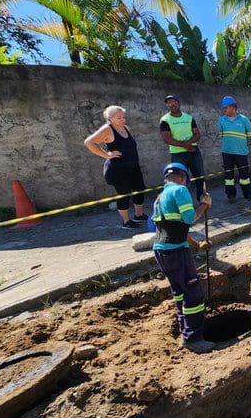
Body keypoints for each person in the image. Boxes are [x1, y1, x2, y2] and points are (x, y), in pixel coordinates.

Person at [152, 162, 214, 353]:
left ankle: (185, 330)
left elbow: (175, 227)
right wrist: (204, 205)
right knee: (194, 294)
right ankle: (193, 338)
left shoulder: (159, 197)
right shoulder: (179, 190)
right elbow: (188, 219)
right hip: (177, 252)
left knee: (180, 292)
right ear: (183, 177)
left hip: (162, 251)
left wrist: (197, 245)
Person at [84, 105, 147, 229]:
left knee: (139, 189)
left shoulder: (126, 128)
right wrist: (106, 155)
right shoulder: (107, 129)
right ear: (110, 118)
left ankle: (139, 215)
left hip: (133, 167)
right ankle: (126, 221)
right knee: (124, 194)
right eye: (119, 118)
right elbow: (89, 142)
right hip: (118, 169)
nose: (122, 120)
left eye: (123, 117)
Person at [159, 95, 206, 203]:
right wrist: (185, 145)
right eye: (169, 102)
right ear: (167, 105)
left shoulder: (189, 118)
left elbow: (197, 134)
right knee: (179, 179)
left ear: (179, 103)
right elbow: (167, 139)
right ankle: (184, 202)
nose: (172, 104)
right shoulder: (165, 120)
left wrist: (188, 144)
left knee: (199, 176)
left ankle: (202, 199)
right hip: (178, 154)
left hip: (193, 152)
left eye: (174, 101)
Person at [217, 95, 251, 202]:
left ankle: (247, 193)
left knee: (244, 175)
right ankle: (231, 195)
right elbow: (221, 135)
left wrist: (240, 142)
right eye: (223, 108)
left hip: (241, 152)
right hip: (227, 152)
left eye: (226, 107)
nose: (224, 109)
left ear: (233, 107)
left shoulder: (243, 119)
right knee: (228, 176)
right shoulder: (222, 120)